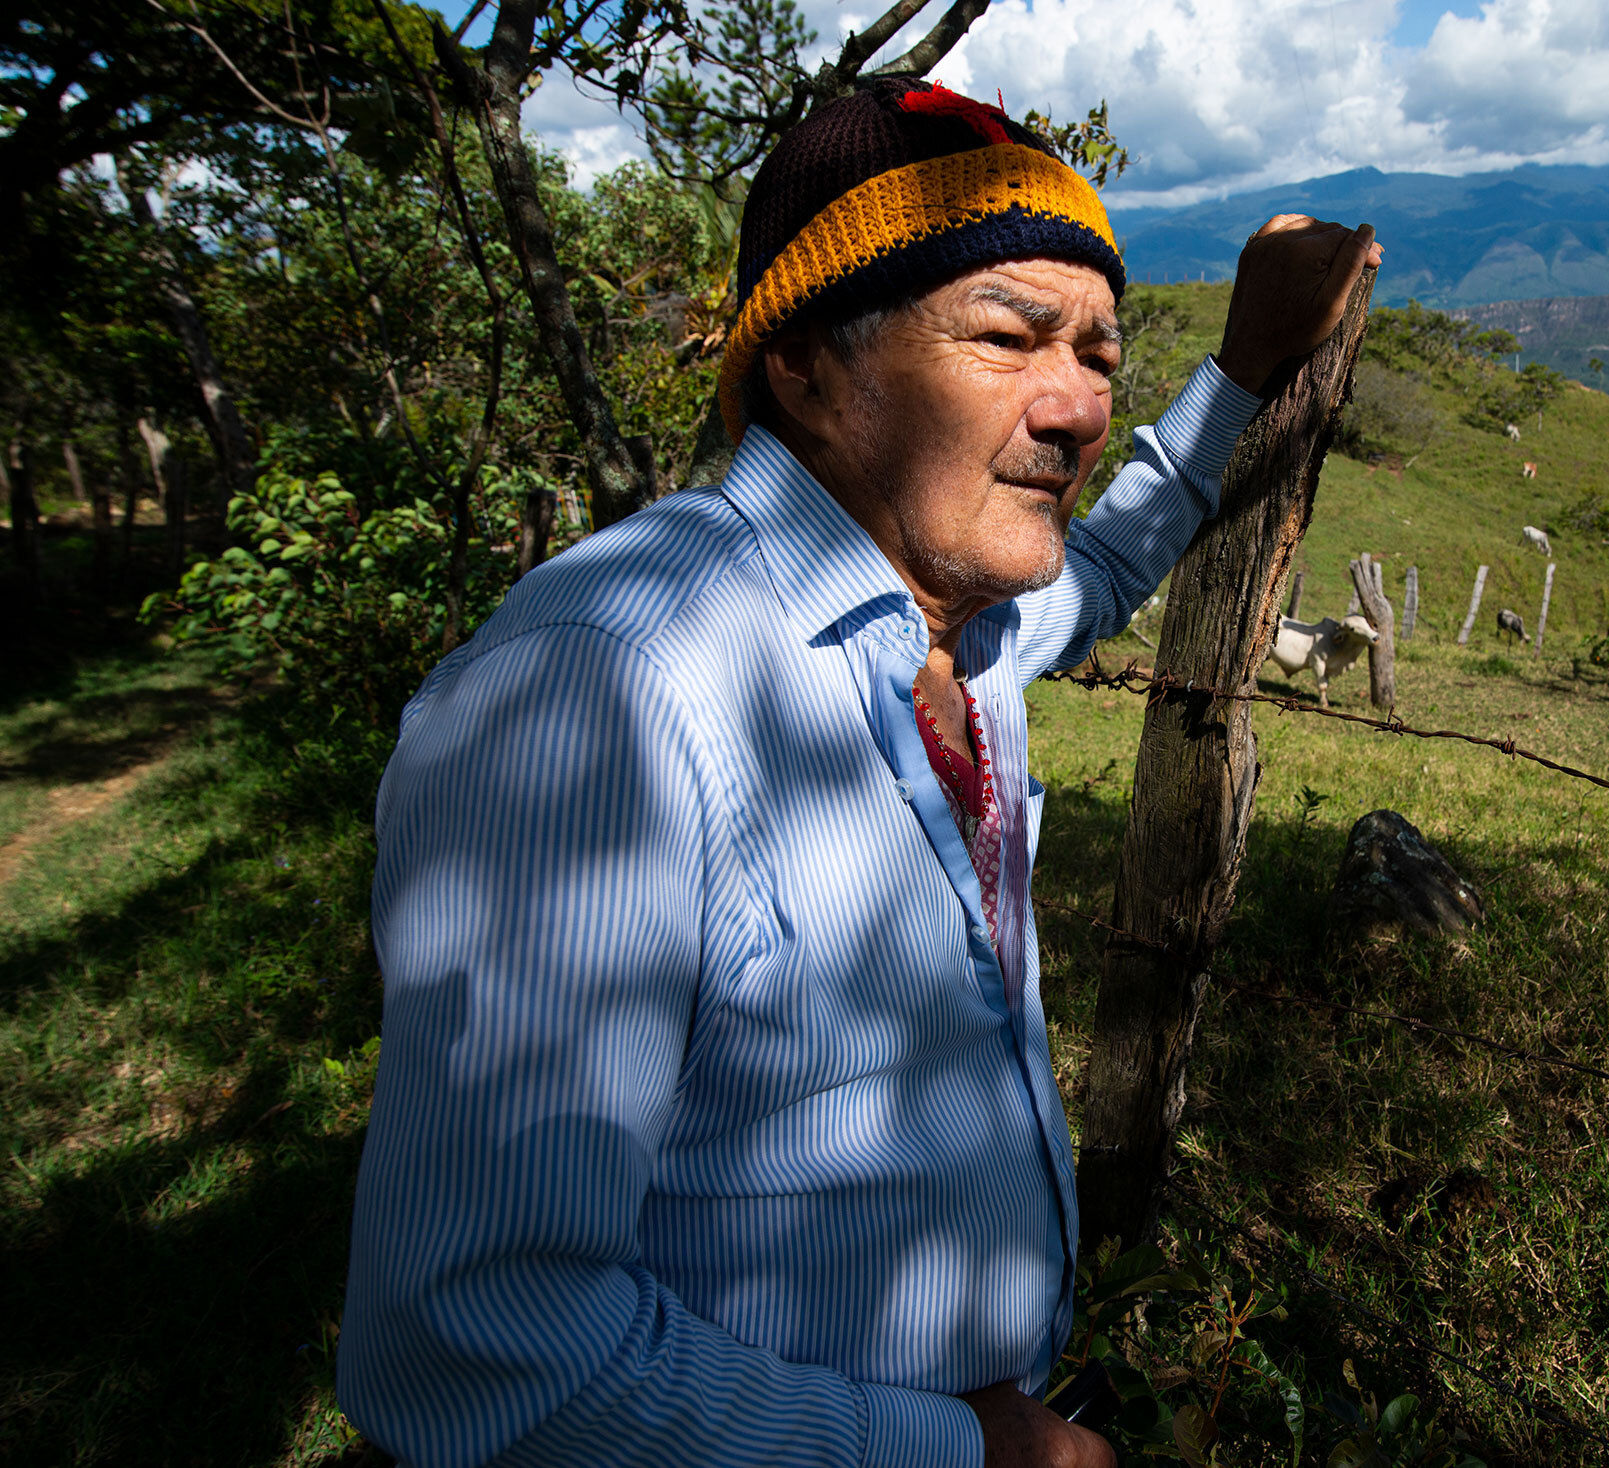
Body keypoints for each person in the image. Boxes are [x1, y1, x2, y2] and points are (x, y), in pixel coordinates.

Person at [337, 77, 1378, 1468]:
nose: (1077, 407)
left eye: (1099, 352)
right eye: (1007, 337)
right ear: (805, 362)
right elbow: (473, 1341)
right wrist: (960, 1452)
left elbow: (1104, 568)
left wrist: (1244, 367)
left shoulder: (960, 622)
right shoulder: (604, 693)